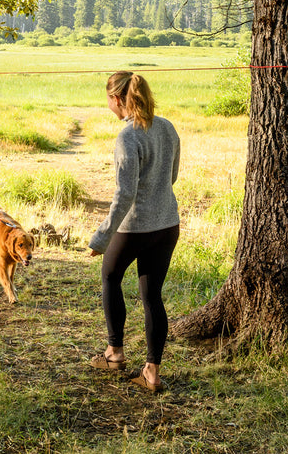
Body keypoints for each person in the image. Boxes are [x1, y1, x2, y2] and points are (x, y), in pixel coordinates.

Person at [87, 71, 180, 394]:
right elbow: (173, 174)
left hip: (136, 227)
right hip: (167, 225)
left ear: (116, 99)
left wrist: (102, 237)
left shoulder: (128, 137)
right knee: (152, 296)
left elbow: (124, 195)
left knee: (111, 276)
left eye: (108, 99)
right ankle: (151, 373)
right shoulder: (166, 127)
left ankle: (115, 353)